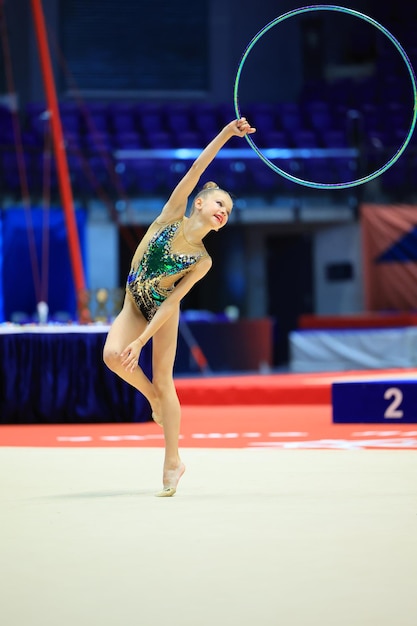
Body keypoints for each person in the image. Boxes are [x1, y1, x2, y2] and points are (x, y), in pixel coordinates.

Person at [103, 116, 256, 497]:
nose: (224, 211)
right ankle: (153, 400)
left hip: (159, 313)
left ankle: (173, 459)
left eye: (229, 212)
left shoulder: (202, 261)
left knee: (164, 379)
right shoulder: (172, 214)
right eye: (220, 203)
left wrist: (141, 343)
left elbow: (171, 303)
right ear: (199, 203)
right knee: (110, 355)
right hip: (132, 302)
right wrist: (226, 133)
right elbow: (197, 167)